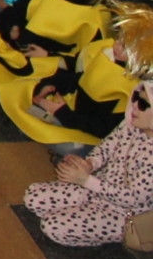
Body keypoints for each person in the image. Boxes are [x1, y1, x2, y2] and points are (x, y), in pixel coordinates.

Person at [0, 0, 131, 145]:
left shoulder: (97, 17)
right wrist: (15, 28)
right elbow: (25, 7)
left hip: (56, 61)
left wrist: (49, 55)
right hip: (29, 45)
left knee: (25, 85)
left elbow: (82, 61)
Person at [24, 75, 153, 245]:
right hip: (97, 188)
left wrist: (86, 180)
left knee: (52, 225)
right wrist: (90, 164)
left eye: (143, 104)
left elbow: (132, 199)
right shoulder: (130, 124)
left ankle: (105, 231)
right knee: (33, 197)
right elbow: (106, 146)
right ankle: (81, 212)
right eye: (136, 98)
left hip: (126, 214)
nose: (134, 105)